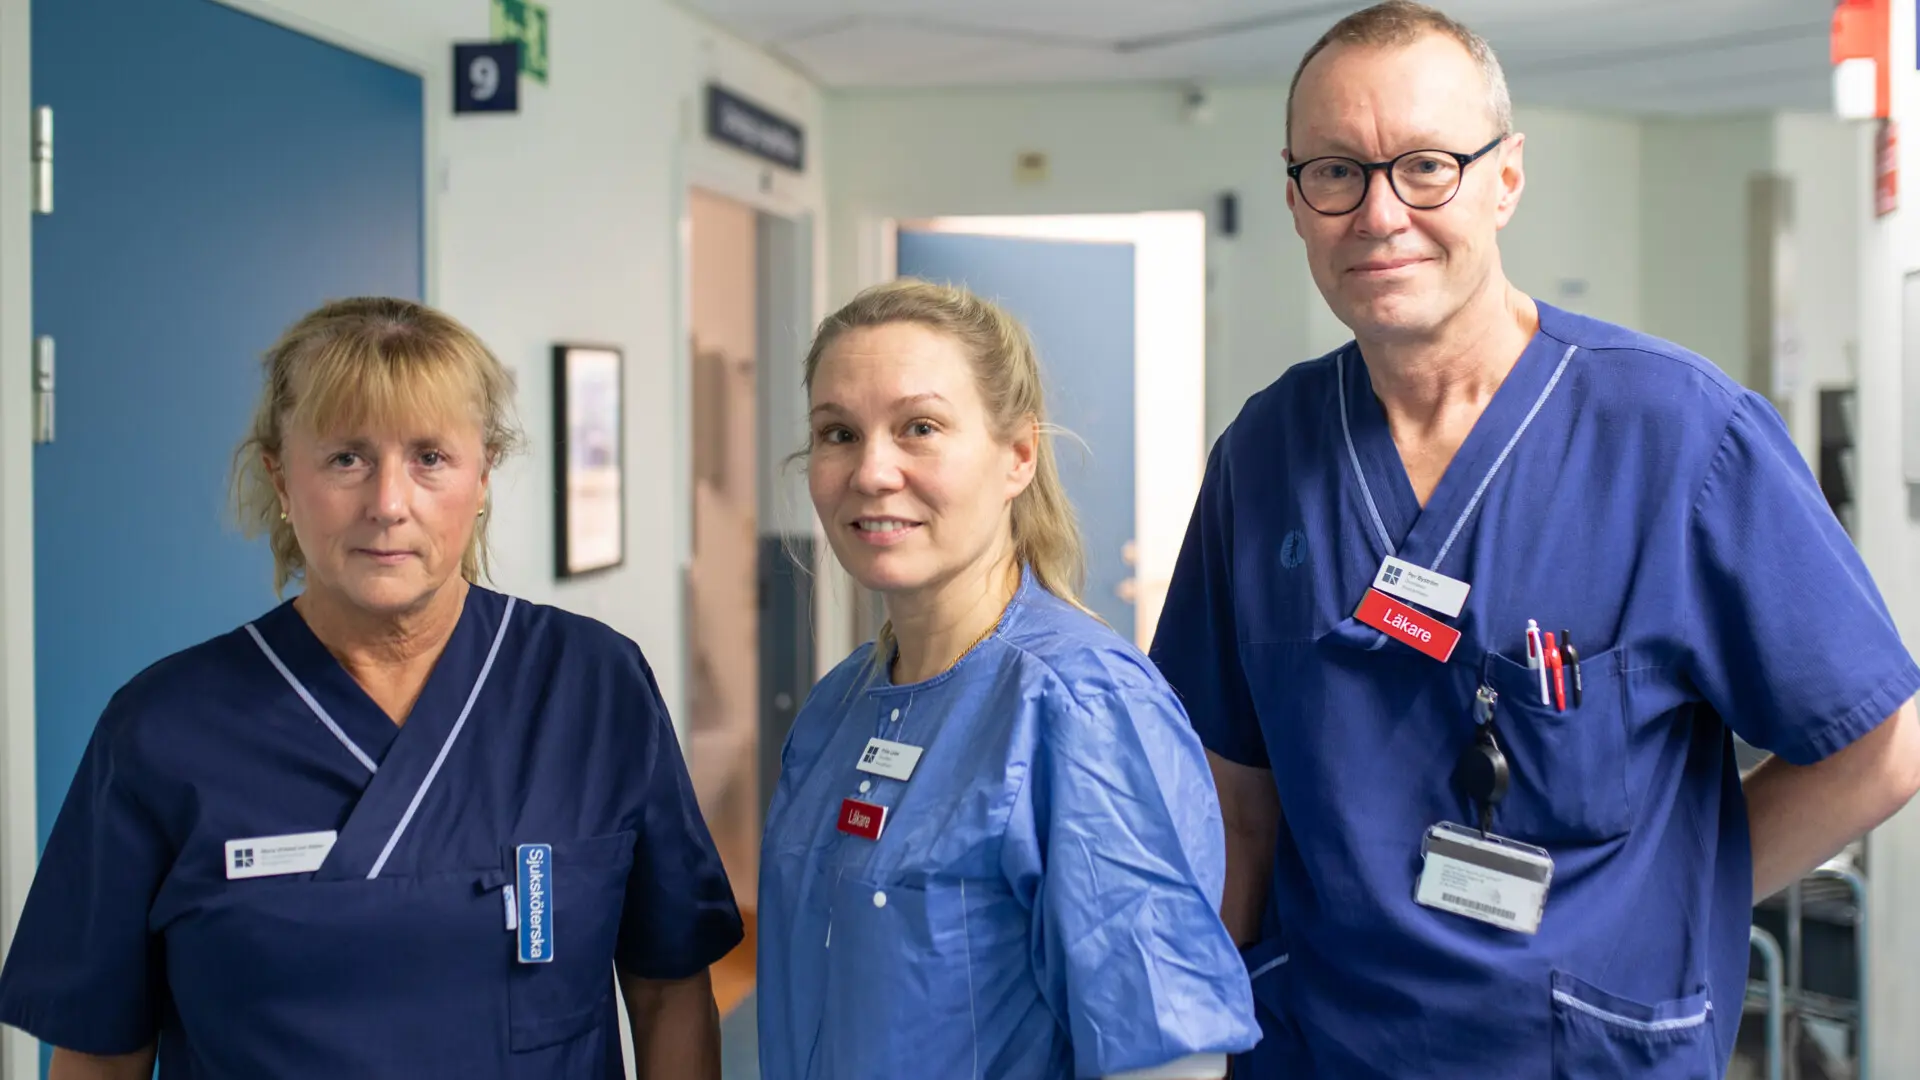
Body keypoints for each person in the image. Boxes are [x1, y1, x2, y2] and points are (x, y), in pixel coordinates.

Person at [1149, 3, 1920, 1078]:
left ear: (1506, 177)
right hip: (1320, 1048)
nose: (1379, 213)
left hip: (1587, 1054)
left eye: (1427, 166)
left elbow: (1879, 750)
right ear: (1295, 198)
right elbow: (1238, 805)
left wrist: (1674, 907)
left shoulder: (1682, 437)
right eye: (1336, 172)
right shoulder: (1265, 457)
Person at [0, 297, 743, 1078]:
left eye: (430, 458)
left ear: (483, 474)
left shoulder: (593, 688)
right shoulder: (161, 729)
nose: (389, 504)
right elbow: (100, 1058)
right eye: (346, 458)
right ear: (280, 477)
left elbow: (669, 995)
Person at [756, 280, 1259, 1080]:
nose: (873, 471)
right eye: (838, 433)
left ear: (1017, 454)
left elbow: (1170, 1058)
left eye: (919, 428)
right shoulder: (840, 707)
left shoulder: (1083, 708)